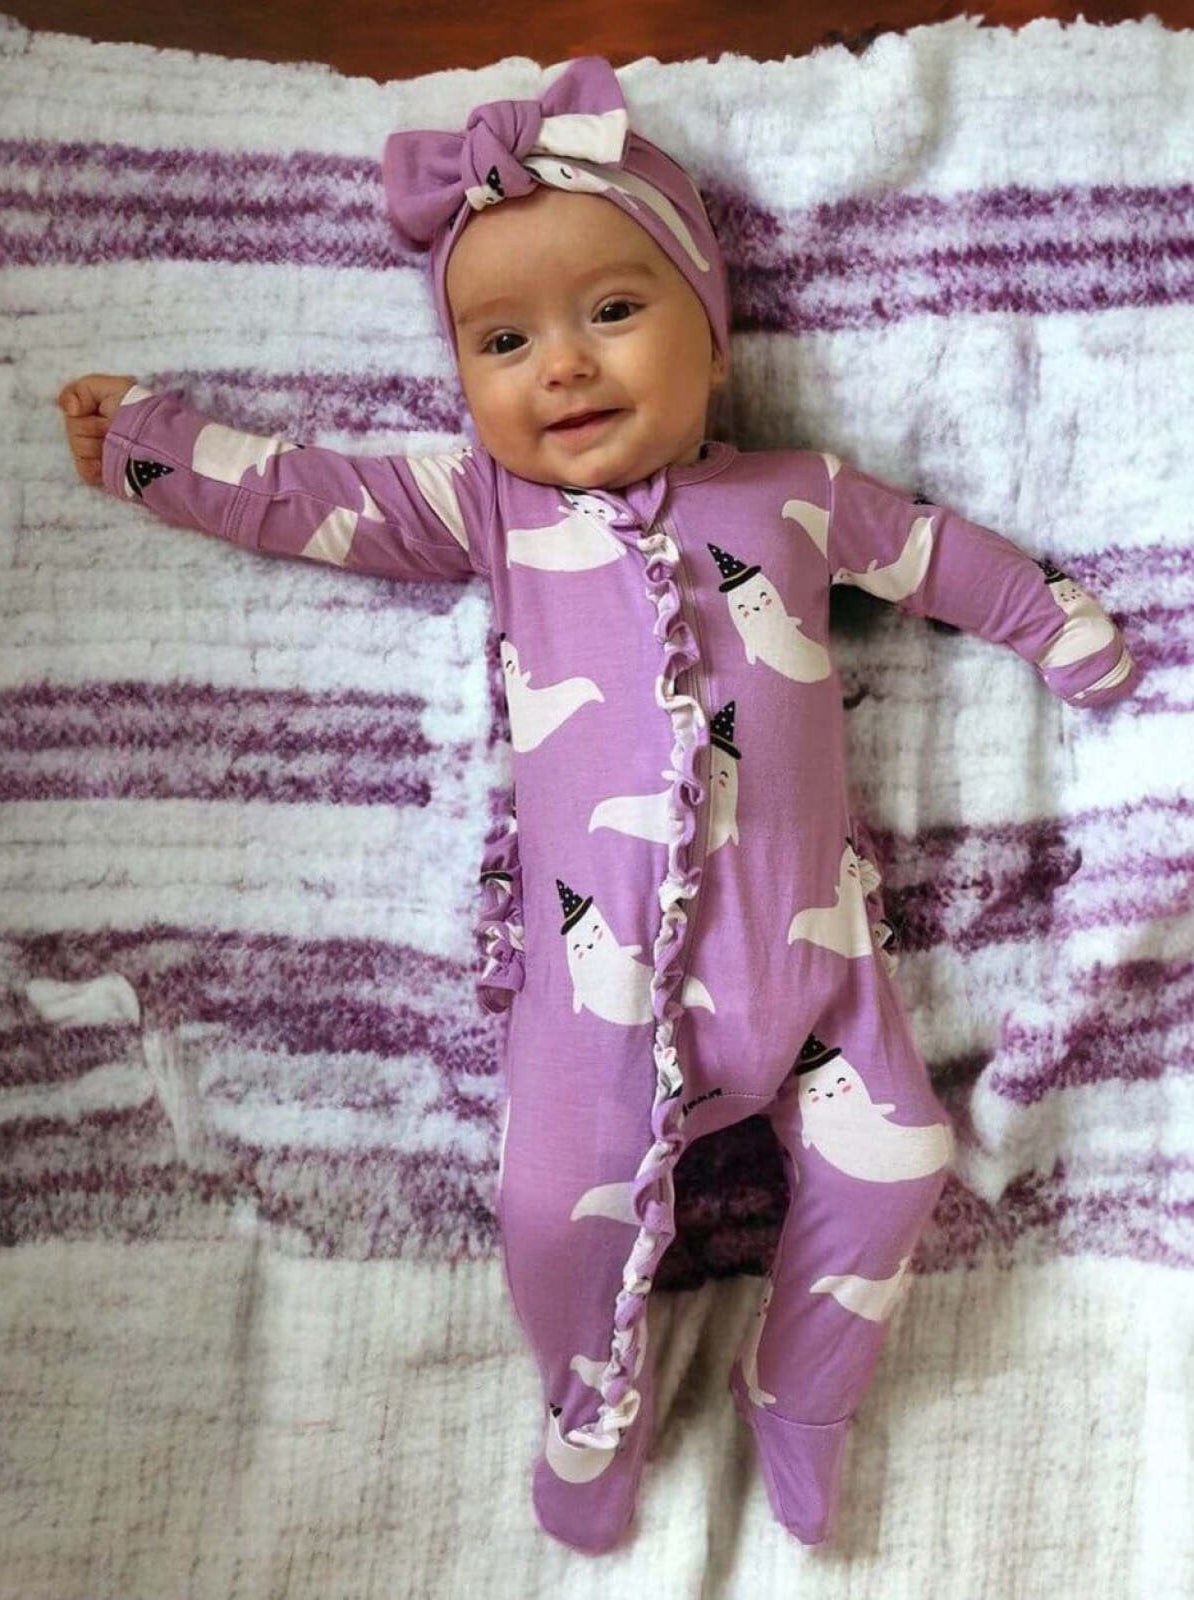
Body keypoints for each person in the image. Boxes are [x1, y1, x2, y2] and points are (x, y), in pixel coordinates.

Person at [55, 54, 1141, 1558]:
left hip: (820, 970)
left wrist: (1058, 628)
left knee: (899, 1157)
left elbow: (945, 558)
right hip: (598, 998)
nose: (560, 366)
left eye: (612, 312)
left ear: (710, 338)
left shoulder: (795, 495)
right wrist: (156, 446)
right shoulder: (491, 513)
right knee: (551, 1215)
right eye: (504, 340)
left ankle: (803, 1395)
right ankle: (587, 1406)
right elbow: (311, 493)